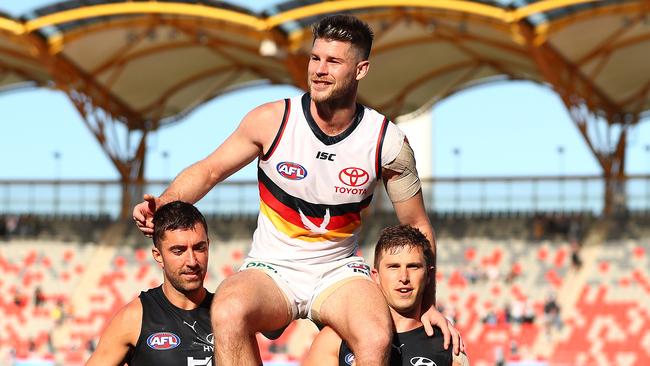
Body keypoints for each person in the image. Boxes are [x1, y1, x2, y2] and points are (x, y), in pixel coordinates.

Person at [133, 14, 462, 366]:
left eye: (333, 61)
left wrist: (428, 304)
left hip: (338, 271)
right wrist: (165, 201)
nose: (319, 69)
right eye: (315, 58)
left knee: (375, 335)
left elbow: (417, 226)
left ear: (361, 69)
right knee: (228, 308)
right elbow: (210, 170)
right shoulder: (272, 121)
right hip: (272, 268)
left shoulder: (387, 142)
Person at [303, 225, 469, 366]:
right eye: (393, 267)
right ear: (376, 276)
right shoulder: (335, 338)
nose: (403, 277)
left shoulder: (449, 345)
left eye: (413, 266)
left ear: (428, 276)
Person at [87, 201, 214, 366]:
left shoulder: (231, 315)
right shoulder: (134, 318)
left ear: (208, 246)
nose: (191, 261)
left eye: (199, 248)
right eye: (178, 251)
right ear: (158, 256)